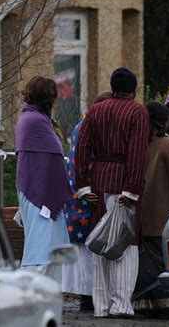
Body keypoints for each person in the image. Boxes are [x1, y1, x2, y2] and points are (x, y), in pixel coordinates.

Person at [74, 67, 149, 318]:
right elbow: (138, 153)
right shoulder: (138, 111)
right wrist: (132, 188)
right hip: (123, 183)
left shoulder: (96, 110)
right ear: (134, 88)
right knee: (126, 242)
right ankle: (121, 305)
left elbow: (82, 147)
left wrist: (83, 185)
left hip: (98, 181)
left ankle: (101, 305)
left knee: (100, 240)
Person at [132, 101, 169, 311]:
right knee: (163, 263)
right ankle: (167, 305)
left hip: (139, 214)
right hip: (163, 215)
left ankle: (144, 304)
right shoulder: (168, 144)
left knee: (144, 265)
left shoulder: (136, 142)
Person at [14, 76, 71, 281]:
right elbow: (51, 157)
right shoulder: (35, 121)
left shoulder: (32, 118)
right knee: (40, 253)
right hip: (40, 194)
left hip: (38, 190)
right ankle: (25, 298)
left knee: (51, 252)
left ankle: (47, 301)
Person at [61, 92, 112, 311]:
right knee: (92, 248)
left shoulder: (79, 127)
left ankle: (86, 295)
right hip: (89, 195)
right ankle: (90, 296)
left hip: (75, 196)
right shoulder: (92, 129)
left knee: (84, 252)